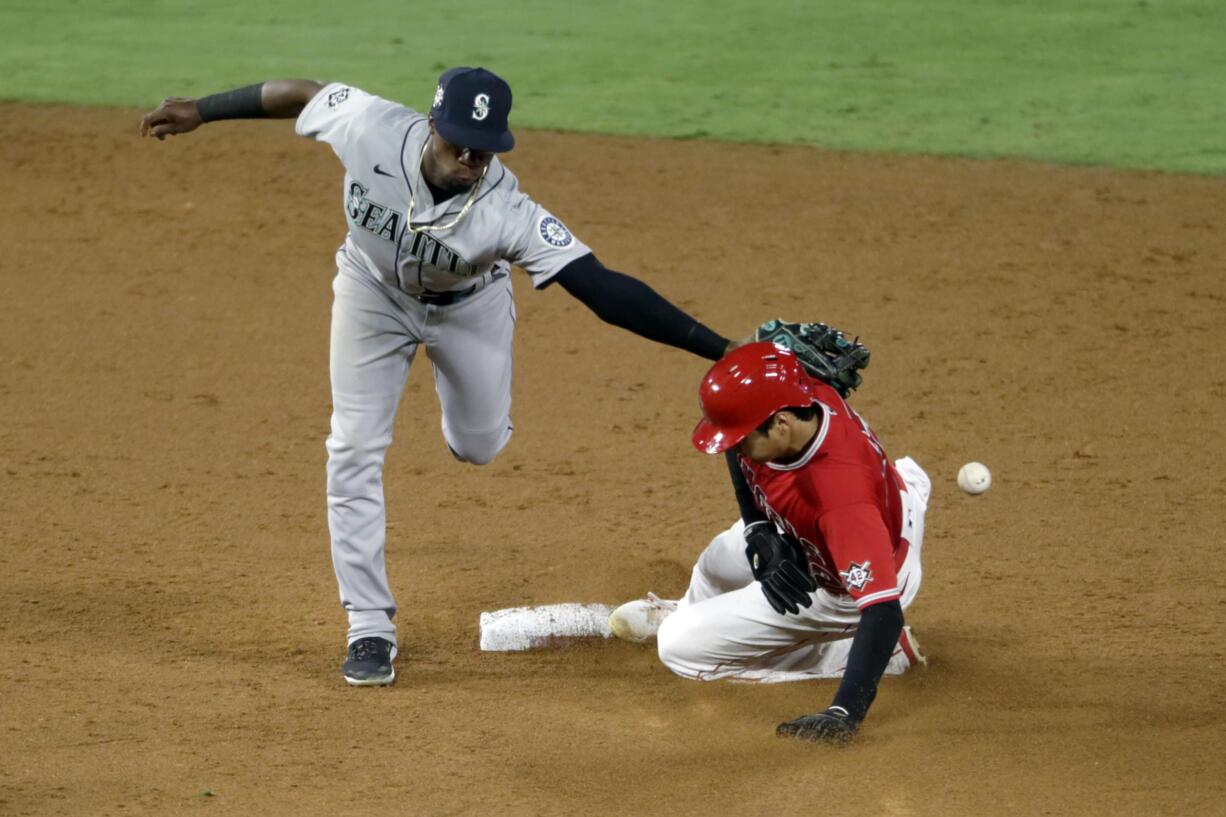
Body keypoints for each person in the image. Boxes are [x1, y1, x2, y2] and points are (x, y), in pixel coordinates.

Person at [139, 67, 739, 686]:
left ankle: (463, 402)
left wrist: (720, 348)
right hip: (371, 296)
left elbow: (604, 289)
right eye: (459, 142)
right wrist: (203, 111)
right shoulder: (369, 126)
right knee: (351, 450)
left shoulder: (508, 211)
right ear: (431, 125)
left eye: (486, 146)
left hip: (468, 312)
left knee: (477, 445)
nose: (472, 156)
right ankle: (369, 625)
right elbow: (298, 92)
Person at [609, 341, 931, 744]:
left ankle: (860, 657)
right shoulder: (794, 390)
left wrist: (845, 711)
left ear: (781, 424)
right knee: (717, 561)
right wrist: (757, 529)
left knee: (678, 649)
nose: (732, 447)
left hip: (849, 588)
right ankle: (692, 608)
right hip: (866, 514)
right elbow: (741, 412)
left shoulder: (840, 498)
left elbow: (883, 610)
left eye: (741, 439)